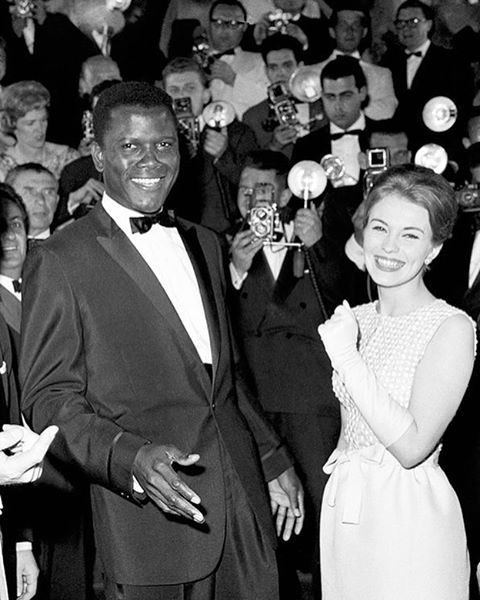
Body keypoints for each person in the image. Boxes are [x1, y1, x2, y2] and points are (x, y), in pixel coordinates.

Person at [19, 81, 304, 600]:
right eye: (130, 146)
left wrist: (272, 458)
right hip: (148, 523)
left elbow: (226, 378)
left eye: (164, 144)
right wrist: (129, 458)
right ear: (99, 156)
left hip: (243, 509)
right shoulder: (61, 258)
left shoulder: (207, 242)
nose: (151, 160)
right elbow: (47, 401)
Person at [318, 163, 475, 599]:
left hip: (409, 516)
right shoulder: (355, 319)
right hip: (345, 512)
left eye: (410, 235)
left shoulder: (451, 326)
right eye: (380, 228)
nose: (389, 247)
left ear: (434, 249)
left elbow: (411, 447)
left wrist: (348, 358)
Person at [228, 150, 342, 598]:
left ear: (286, 190)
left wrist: (318, 247)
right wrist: (235, 271)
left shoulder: (316, 233)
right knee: (263, 514)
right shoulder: (223, 246)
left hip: (310, 399)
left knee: (317, 510)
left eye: (264, 188)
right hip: (252, 403)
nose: (255, 197)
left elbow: (345, 302)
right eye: (245, 190)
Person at [163, 56, 258, 233]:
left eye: (190, 88)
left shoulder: (236, 132)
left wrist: (224, 155)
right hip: (174, 233)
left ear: (206, 95)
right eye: (174, 90)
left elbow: (255, 185)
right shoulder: (156, 138)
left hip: (222, 233)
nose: (182, 96)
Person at [384, 0, 473, 162]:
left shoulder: (451, 61)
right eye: (401, 23)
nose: (406, 28)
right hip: (400, 151)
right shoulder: (387, 62)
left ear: (429, 25)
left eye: (414, 22)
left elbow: (461, 106)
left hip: (439, 148)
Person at [242, 34, 326, 159]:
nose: (280, 73)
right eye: (273, 67)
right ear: (266, 71)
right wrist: (274, 146)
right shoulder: (253, 117)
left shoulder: (325, 107)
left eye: (287, 66)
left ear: (300, 67)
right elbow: (248, 166)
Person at [312, 3, 397, 121]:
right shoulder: (312, 74)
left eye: (356, 25)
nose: (349, 31)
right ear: (332, 32)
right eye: (343, 25)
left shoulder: (381, 74)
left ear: (364, 32)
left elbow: (387, 111)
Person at [0, 82, 79, 182]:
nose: (39, 128)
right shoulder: (2, 166)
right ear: (12, 124)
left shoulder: (68, 158)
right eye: (30, 123)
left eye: (43, 120)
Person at [5, 164, 59, 243]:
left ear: (57, 200)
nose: (41, 200)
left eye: (48, 192)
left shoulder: (73, 247)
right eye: (29, 192)